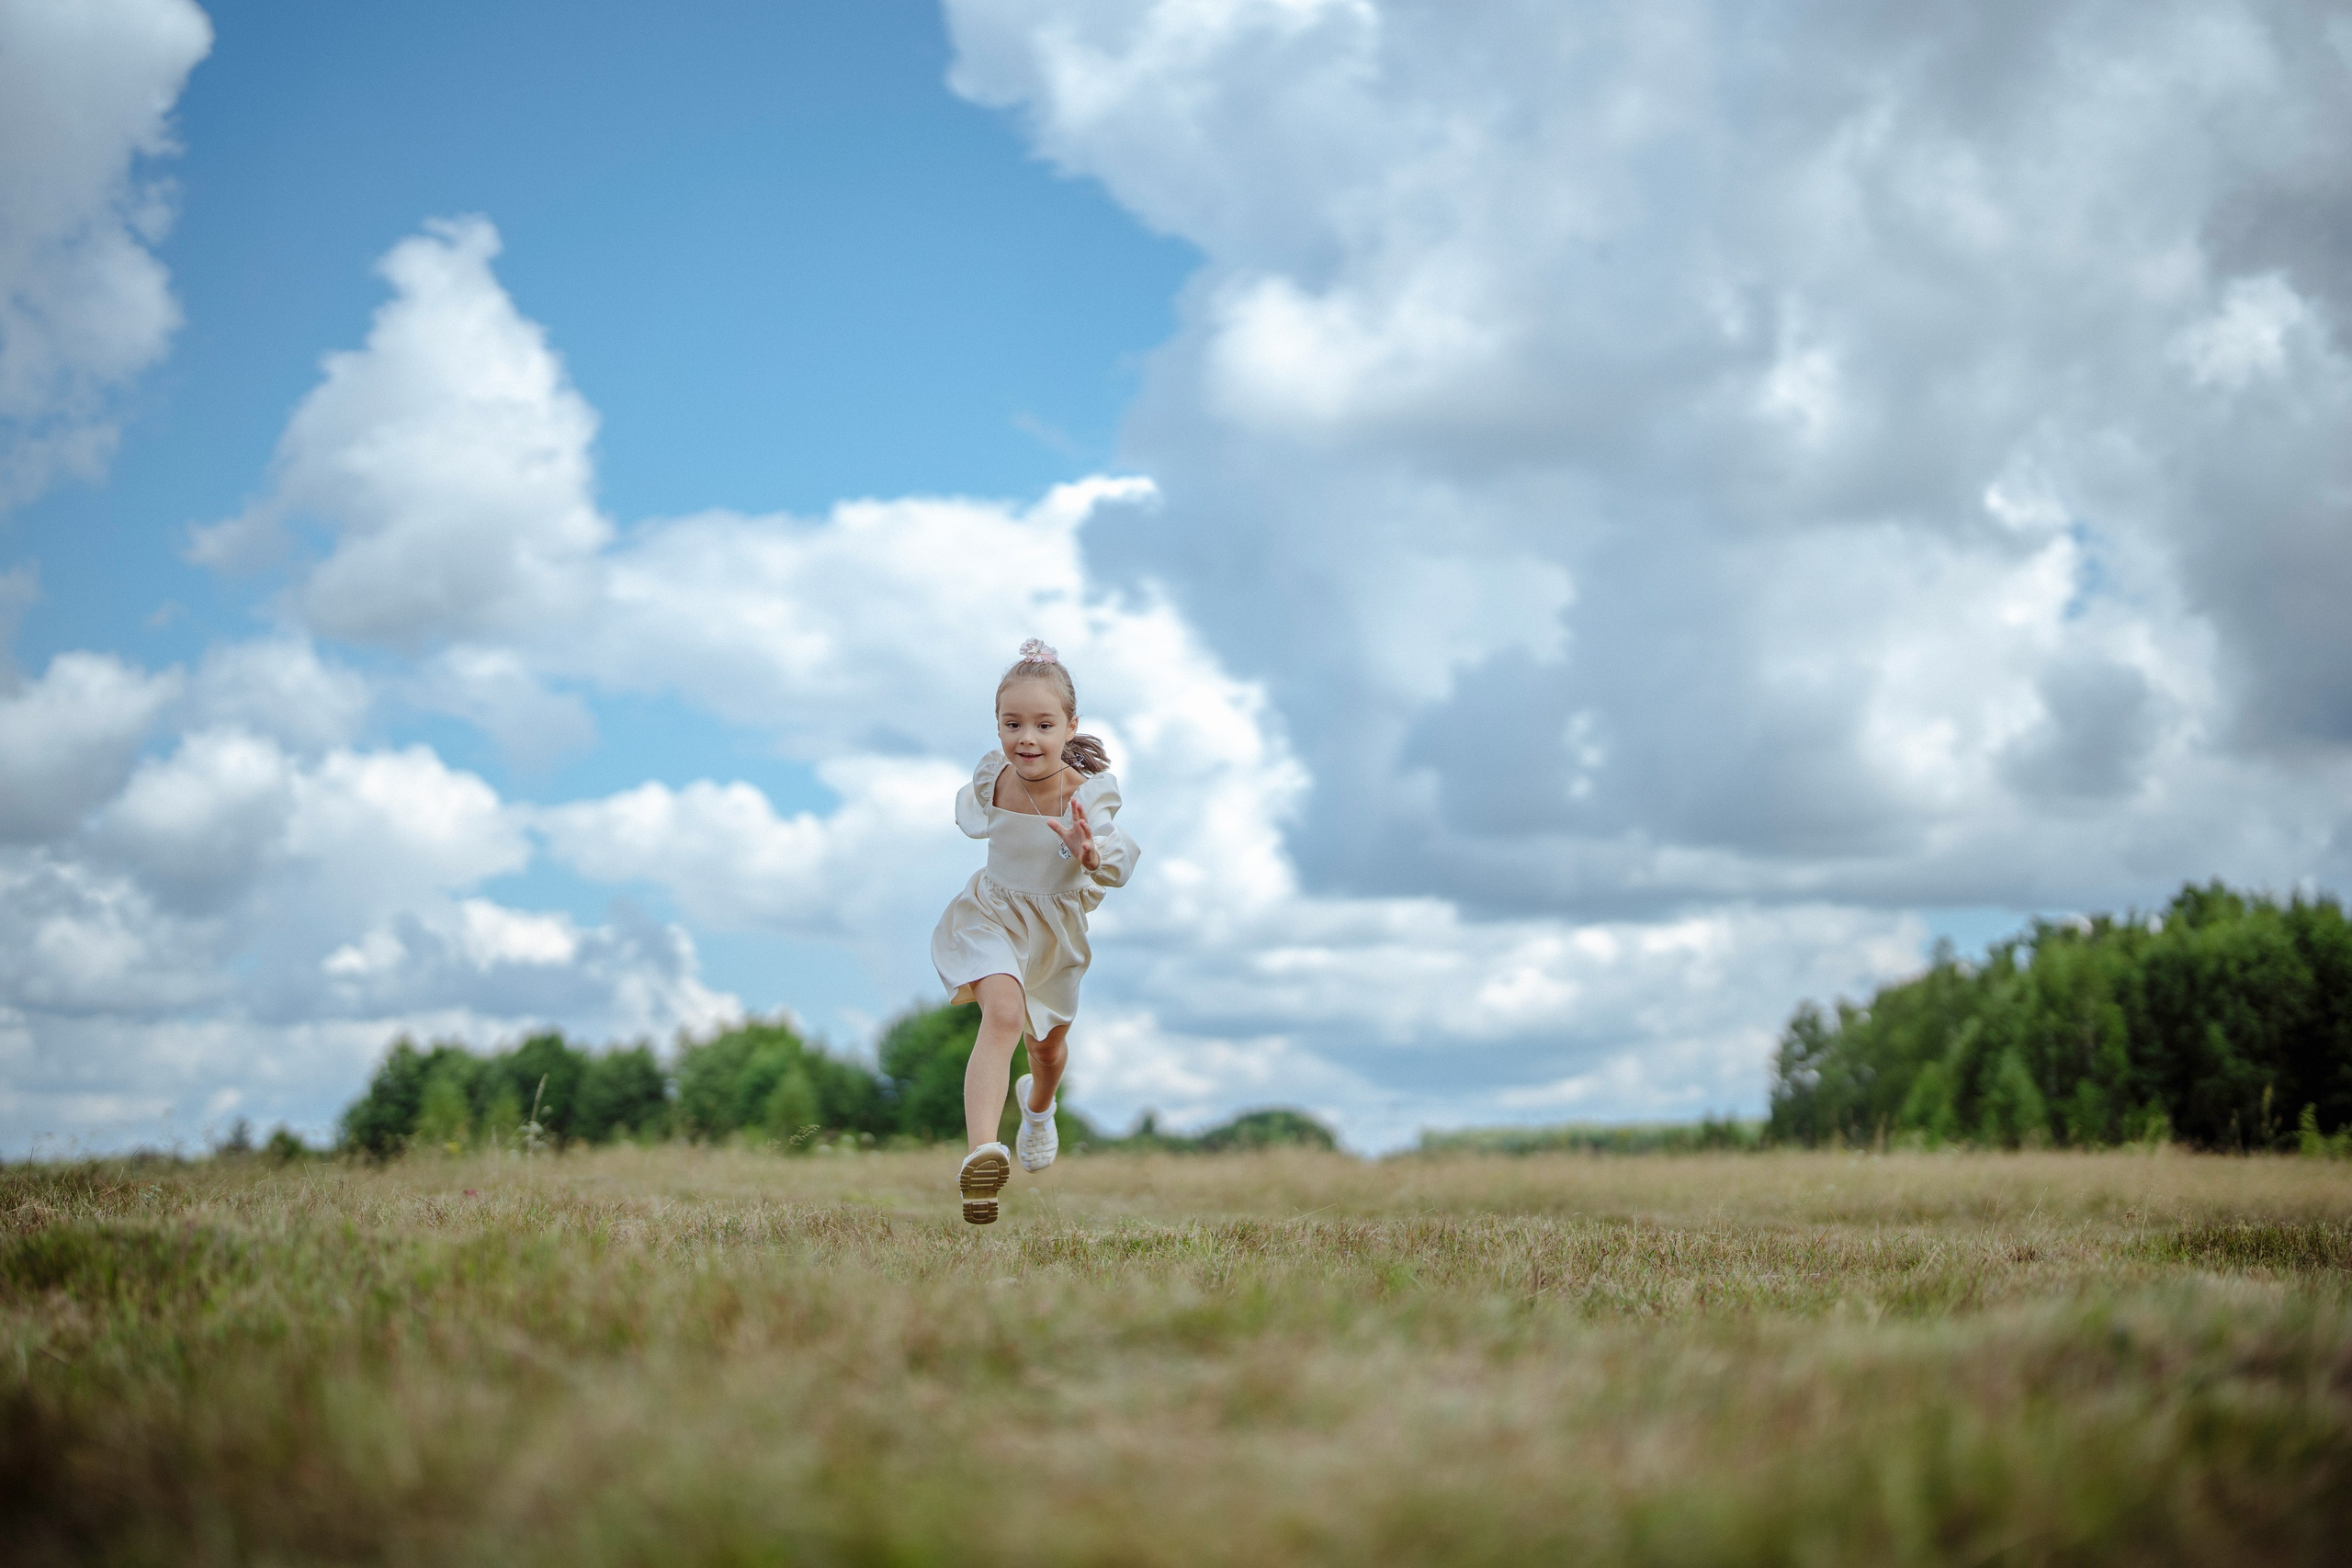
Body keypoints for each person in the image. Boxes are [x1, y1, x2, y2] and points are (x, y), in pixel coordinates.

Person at [931, 638, 1138, 1224]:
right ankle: (981, 1161)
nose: (1027, 737)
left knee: (1045, 1050)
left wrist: (1088, 852)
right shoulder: (992, 775)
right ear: (997, 725)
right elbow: (975, 819)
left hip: (1054, 932)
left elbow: (1119, 861)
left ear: (1071, 727)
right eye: (1012, 722)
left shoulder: (1085, 794)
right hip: (991, 914)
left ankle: (1038, 1109)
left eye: (1044, 724)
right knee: (1000, 1015)